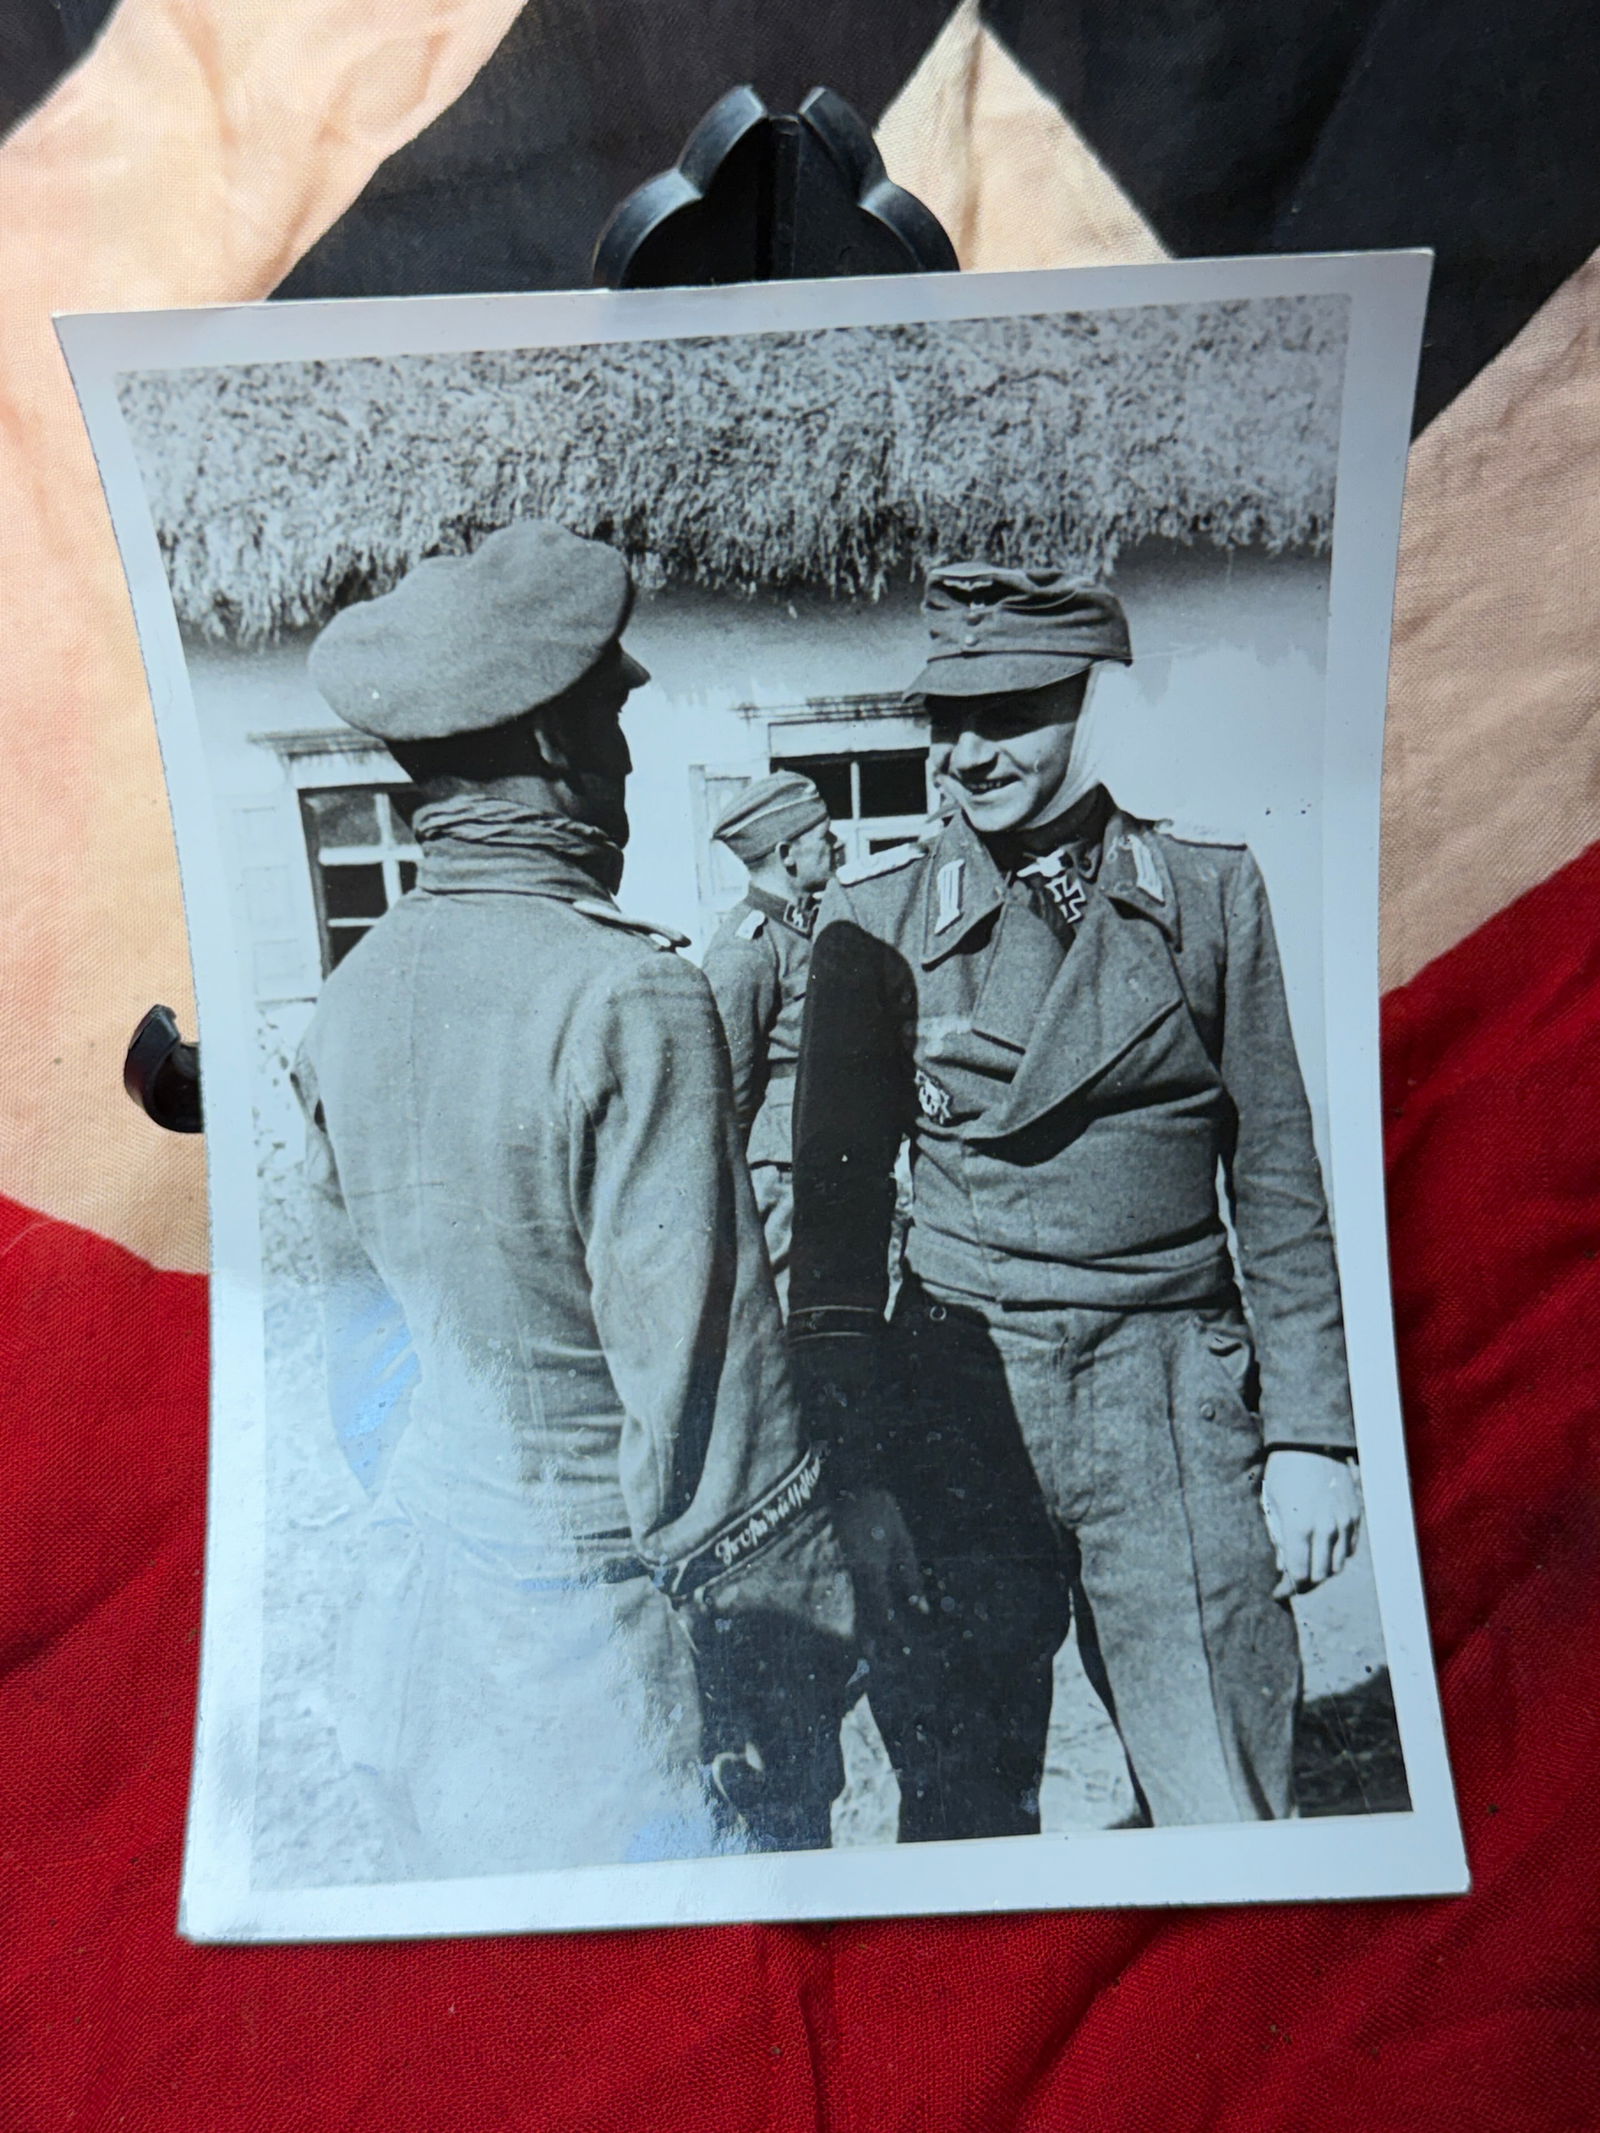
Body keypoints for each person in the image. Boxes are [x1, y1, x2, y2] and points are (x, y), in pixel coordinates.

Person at [292, 518, 855, 1877]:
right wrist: (799, 1666)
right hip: (616, 1677)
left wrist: (470, 1506)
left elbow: (357, 1359)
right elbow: (714, 1395)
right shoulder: (626, 993)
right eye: (610, 727)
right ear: (556, 753)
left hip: (434, 1652)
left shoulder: (351, 999)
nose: (624, 765)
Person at [788, 563, 1363, 1841]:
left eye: (1012, 715)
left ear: (1081, 701)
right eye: (948, 721)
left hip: (1168, 1389)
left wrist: (1311, 1435)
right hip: (957, 1391)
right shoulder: (873, 925)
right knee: (963, 1805)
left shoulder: (1207, 899)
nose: (972, 755)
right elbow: (830, 1231)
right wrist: (861, 1468)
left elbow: (1272, 1172)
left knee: (1223, 1784)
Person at [702, 772, 841, 1310]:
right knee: (789, 1310)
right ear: (787, 854)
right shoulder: (746, 949)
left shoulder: (806, 928)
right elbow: (727, 1088)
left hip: (814, 1147)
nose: (835, 844)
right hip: (782, 1166)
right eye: (823, 835)